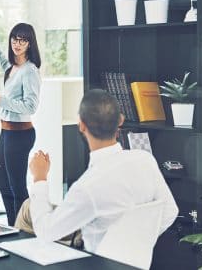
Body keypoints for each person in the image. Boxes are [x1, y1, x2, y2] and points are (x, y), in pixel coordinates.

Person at [19, 89, 178, 253]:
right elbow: (171, 211)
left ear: (81, 125)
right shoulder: (145, 160)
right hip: (131, 260)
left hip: (92, 260)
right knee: (28, 207)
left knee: (28, 212)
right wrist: (136, 244)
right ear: (120, 120)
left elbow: (46, 232)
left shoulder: (87, 187)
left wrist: (39, 178)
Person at [0, 23, 42, 225]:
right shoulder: (13, 68)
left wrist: (1, 100)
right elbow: (4, 62)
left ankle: (23, 229)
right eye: (14, 39)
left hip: (20, 134)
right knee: (2, 182)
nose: (17, 43)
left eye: (23, 40)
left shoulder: (30, 71)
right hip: (6, 132)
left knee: (17, 185)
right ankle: (13, 224)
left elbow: (31, 106)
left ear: (30, 43)